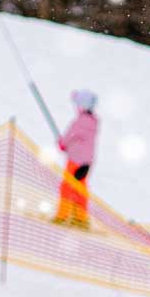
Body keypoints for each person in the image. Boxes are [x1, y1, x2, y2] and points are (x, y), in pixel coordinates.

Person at [54, 89, 98, 229]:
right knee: (80, 187)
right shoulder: (93, 122)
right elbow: (79, 139)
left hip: (75, 161)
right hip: (87, 162)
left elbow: (70, 136)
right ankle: (80, 217)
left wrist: (62, 144)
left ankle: (63, 215)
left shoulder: (80, 122)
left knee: (67, 186)